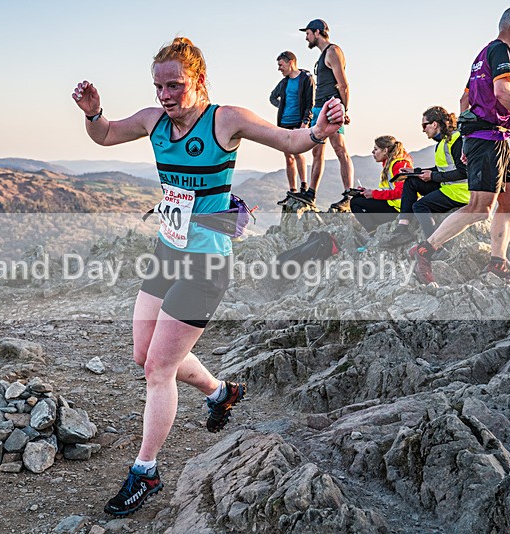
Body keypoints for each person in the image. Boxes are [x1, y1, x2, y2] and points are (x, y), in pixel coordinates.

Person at [71, 37, 345, 516]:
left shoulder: (225, 120)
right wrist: (94, 113)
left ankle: (146, 471)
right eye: (159, 86)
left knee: (159, 369)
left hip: (206, 264)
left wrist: (318, 131)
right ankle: (221, 392)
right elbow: (106, 135)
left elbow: (288, 141)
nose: (165, 95)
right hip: (167, 252)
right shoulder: (153, 120)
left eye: (174, 85)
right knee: (144, 355)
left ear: (197, 80)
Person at [410, 4, 510, 284]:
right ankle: (425, 250)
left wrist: (464, 141)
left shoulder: (482, 54)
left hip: (492, 138)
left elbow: (465, 100)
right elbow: (502, 92)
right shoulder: (501, 51)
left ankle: (497, 262)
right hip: (487, 138)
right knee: (479, 207)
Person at [382, 106, 469, 248]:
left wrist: (433, 176)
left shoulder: (456, 140)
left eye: (424, 125)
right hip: (449, 186)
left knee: (420, 205)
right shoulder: (443, 142)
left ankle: (435, 245)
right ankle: (402, 229)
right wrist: (415, 171)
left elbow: (464, 172)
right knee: (411, 181)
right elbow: (442, 169)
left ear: (434, 124)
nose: (423, 130)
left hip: (461, 192)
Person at [291, 18, 355, 211]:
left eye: (308, 33)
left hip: (331, 105)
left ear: (317, 32)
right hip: (319, 107)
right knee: (317, 151)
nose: (306, 38)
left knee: (339, 148)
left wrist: (344, 109)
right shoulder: (323, 55)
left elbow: (343, 85)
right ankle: (311, 194)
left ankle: (349, 195)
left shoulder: (333, 51)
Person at [269, 51, 315, 204]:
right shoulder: (284, 82)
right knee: (288, 158)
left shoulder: (306, 78)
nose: (279, 68)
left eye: (281, 65)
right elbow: (272, 97)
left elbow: (310, 102)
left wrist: (305, 121)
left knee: (298, 153)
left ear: (290, 62)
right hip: (284, 123)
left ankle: (303, 186)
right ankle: (292, 190)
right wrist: (282, 106)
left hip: (299, 122)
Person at [350, 135, 412, 233]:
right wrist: (367, 192)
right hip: (392, 206)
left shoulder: (398, 165)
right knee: (358, 198)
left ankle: (373, 233)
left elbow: (401, 192)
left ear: (385, 151)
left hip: (398, 210)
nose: (372, 152)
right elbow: (390, 190)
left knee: (355, 202)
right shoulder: (390, 164)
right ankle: (374, 231)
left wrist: (374, 194)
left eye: (376, 149)